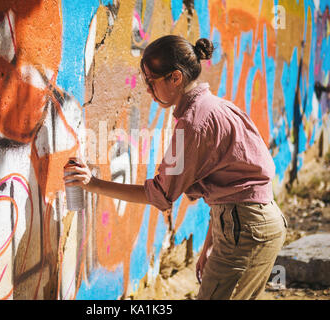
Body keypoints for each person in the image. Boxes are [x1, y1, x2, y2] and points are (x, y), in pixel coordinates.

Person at [63, 35, 287, 300]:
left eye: (151, 81)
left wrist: (93, 184)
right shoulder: (217, 107)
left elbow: (159, 194)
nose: (147, 89)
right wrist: (211, 245)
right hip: (252, 226)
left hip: (245, 231)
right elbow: (232, 188)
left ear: (176, 78)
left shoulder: (193, 124)